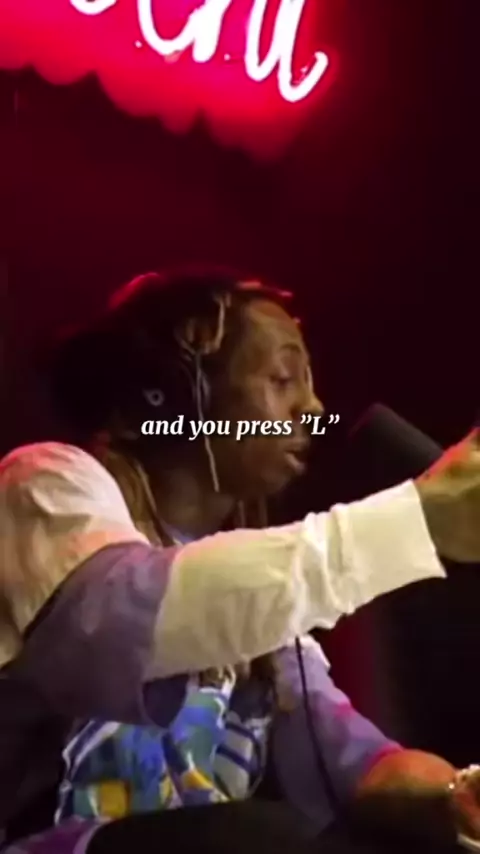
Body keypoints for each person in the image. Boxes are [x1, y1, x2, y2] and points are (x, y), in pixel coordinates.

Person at [1, 268, 480, 854]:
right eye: (282, 378)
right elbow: (117, 619)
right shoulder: (45, 484)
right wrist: (414, 521)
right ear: (173, 394)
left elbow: (357, 760)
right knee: (259, 835)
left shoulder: (263, 611)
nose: (313, 406)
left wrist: (456, 796)